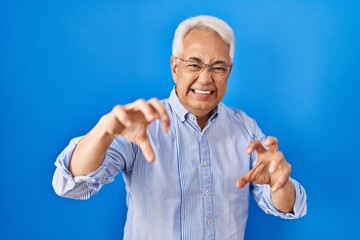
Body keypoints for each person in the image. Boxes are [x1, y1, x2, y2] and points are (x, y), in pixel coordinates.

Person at [52, 15, 307, 239]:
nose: (205, 78)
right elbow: (71, 185)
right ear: (175, 67)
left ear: (228, 72)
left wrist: (279, 185)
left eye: (218, 67)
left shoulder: (245, 128)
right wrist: (104, 131)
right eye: (194, 64)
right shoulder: (141, 124)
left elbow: (285, 206)